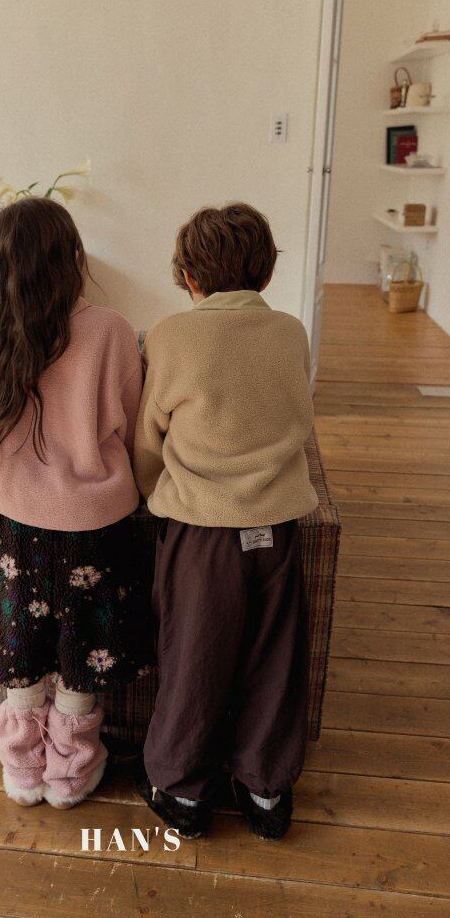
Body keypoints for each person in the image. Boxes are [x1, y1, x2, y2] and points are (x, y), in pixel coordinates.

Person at [0, 197, 150, 809]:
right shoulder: (111, 329)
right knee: (83, 656)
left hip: (10, 525)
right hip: (95, 526)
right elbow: (132, 429)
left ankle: (22, 769)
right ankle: (69, 773)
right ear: (72, 258)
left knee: (19, 649)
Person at [133, 202, 318, 839]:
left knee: (194, 659)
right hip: (277, 530)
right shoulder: (291, 333)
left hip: (200, 534)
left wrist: (153, 497)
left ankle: (181, 790)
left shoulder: (169, 336)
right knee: (275, 661)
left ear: (188, 275)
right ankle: (266, 792)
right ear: (266, 273)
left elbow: (149, 440)